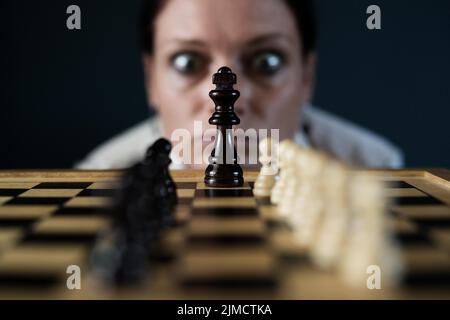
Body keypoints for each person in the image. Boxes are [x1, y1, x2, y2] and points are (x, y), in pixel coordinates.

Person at [77, 0, 403, 170]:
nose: (227, 101)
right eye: (187, 63)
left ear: (307, 77)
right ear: (151, 81)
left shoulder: (378, 173)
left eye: (267, 62)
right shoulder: (99, 180)